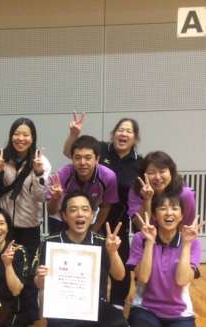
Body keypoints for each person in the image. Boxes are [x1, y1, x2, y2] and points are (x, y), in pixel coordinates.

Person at [34, 192, 128, 327]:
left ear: (92, 215)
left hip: (93, 306)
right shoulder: (50, 243)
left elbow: (119, 276)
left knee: (120, 326)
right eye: (73, 210)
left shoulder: (102, 242)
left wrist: (113, 252)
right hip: (62, 309)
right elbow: (38, 284)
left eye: (85, 209)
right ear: (64, 215)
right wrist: (41, 278)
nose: (80, 214)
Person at [63, 113, 142, 309]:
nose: (123, 134)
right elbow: (69, 153)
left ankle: (116, 303)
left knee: (118, 258)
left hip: (118, 217)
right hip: (87, 214)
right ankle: (85, 298)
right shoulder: (101, 150)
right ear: (113, 134)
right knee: (88, 258)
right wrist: (73, 134)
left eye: (128, 131)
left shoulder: (139, 163)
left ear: (135, 138)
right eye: (120, 130)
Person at [127, 193, 203, 327]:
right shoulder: (140, 238)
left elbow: (182, 280)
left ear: (182, 215)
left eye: (174, 208)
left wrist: (186, 244)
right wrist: (150, 242)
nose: (169, 213)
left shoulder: (192, 242)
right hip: (146, 309)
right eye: (163, 208)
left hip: (179, 314)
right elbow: (143, 278)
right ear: (154, 214)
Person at [0, 117, 51, 324]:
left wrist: (39, 174)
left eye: (26, 135)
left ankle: (28, 313)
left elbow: (42, 197)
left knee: (29, 269)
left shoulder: (41, 161)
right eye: (17, 134)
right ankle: (4, 310)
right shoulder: (0, 158)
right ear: (11, 135)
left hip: (30, 225)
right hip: (4, 226)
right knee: (5, 266)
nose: (21, 138)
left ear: (33, 138)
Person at [47, 135, 119, 234]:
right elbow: (51, 211)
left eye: (88, 158)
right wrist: (55, 198)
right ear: (72, 159)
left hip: (90, 216)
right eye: (77, 158)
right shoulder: (62, 175)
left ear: (97, 159)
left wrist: (93, 231)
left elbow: (105, 207)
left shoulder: (108, 177)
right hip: (62, 218)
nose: (82, 163)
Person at [128, 151, 195, 231]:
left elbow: (187, 227)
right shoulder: (136, 189)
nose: (157, 177)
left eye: (162, 171)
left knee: (187, 193)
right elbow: (141, 226)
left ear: (171, 172)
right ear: (143, 175)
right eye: (151, 173)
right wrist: (147, 200)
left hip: (174, 235)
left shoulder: (183, 192)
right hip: (146, 234)